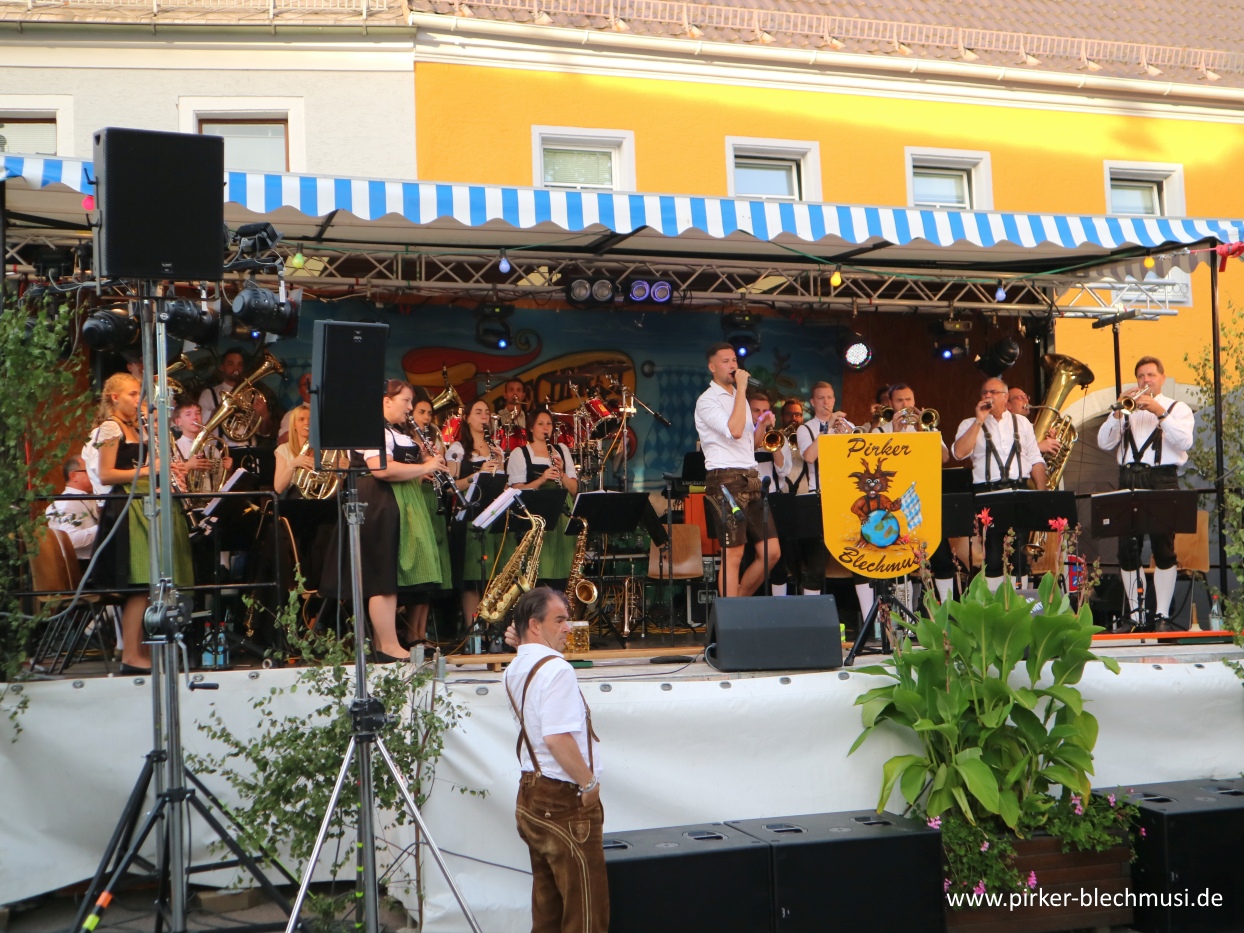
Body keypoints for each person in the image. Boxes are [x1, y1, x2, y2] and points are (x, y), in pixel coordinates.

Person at [504, 587, 607, 933]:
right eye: (559, 620)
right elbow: (556, 738)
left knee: (547, 910)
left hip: (531, 792)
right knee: (586, 914)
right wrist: (589, 784)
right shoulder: (558, 670)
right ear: (535, 625)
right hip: (563, 798)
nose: (568, 627)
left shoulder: (515, 667)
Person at [326, 379, 449, 661]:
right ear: (386, 401)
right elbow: (380, 469)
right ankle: (388, 645)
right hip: (378, 502)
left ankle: (385, 645)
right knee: (382, 577)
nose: (409, 407)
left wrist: (421, 466)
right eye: (406, 401)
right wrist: (424, 465)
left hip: (394, 501)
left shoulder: (394, 431)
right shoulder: (373, 429)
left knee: (388, 576)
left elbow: (399, 466)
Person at [89, 372, 194, 673]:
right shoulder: (110, 427)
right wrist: (151, 470)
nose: (138, 400)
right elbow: (106, 475)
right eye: (132, 394)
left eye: (139, 394)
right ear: (115, 398)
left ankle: (140, 651)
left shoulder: (135, 427)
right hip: (128, 507)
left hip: (143, 502)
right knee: (139, 584)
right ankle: (131, 655)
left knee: (150, 584)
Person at [1096, 356, 1194, 630]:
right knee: (1127, 548)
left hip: (1162, 478)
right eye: (1141, 376)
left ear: (1162, 378)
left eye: (1150, 375)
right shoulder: (1127, 410)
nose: (1145, 380)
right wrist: (1118, 412)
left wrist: (1160, 412)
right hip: (1128, 478)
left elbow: (1185, 441)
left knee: (1164, 547)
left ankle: (1161, 615)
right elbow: (1104, 442)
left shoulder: (1177, 408)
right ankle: (1136, 615)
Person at [693, 343, 780, 597]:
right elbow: (734, 431)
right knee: (733, 553)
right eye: (726, 361)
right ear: (712, 367)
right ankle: (732, 612)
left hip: (750, 477)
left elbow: (750, 444)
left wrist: (762, 425)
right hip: (725, 479)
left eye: (734, 360)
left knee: (771, 552)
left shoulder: (738, 398)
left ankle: (738, 602)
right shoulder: (707, 400)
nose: (733, 365)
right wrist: (742, 389)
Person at [952, 377, 1047, 591]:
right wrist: (979, 420)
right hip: (988, 492)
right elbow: (958, 453)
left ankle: (1018, 602)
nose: (988, 396)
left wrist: (1042, 495)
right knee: (994, 554)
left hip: (1019, 490)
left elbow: (1035, 458)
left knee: (1019, 553)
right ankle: (995, 603)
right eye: (984, 392)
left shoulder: (1022, 423)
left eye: (993, 392)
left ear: (1005, 397)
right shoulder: (968, 424)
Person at [878, 384, 955, 602]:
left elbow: (944, 458)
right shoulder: (880, 431)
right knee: (900, 560)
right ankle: (905, 614)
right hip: (895, 502)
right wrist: (895, 432)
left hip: (926, 498)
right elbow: (880, 465)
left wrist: (923, 432)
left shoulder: (927, 428)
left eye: (909, 400)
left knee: (941, 557)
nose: (906, 405)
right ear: (891, 404)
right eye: (900, 401)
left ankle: (947, 609)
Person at [446, 399, 507, 625]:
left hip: (493, 514)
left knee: (492, 575)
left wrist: (500, 466)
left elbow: (502, 485)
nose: (484, 417)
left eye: (487, 413)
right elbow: (449, 487)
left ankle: (491, 627)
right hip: (469, 515)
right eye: (478, 412)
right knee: (472, 577)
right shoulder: (458, 449)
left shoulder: (495, 448)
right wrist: (476, 475)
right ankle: (473, 631)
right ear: (467, 418)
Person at [792, 381, 853, 601]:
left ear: (834, 400)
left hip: (845, 498)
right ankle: (810, 616)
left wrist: (845, 430)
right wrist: (827, 430)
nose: (826, 402)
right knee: (816, 565)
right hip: (818, 498)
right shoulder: (805, 429)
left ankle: (869, 616)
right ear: (812, 402)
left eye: (829, 397)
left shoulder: (848, 426)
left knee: (859, 560)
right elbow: (809, 456)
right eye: (821, 398)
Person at [506, 409, 578, 586]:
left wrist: (561, 473)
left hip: (562, 513)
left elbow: (573, 489)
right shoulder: (520, 453)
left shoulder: (561, 450)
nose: (546, 428)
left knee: (565, 571)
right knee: (541, 569)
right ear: (531, 428)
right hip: (537, 515)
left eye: (549, 424)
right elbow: (516, 491)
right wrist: (542, 479)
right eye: (540, 424)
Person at [407, 389, 456, 645]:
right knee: (421, 568)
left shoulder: (432, 438)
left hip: (433, 500)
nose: (426, 417)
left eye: (429, 413)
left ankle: (421, 632)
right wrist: (421, 470)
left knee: (432, 572)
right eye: (421, 412)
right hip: (416, 499)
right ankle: (412, 634)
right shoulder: (405, 441)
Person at [747, 389, 789, 594]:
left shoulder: (778, 437)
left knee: (778, 559)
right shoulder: (742, 437)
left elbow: (783, 471)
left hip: (773, 499)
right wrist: (758, 430)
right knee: (750, 555)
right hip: (749, 499)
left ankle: (779, 605)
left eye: (765, 411)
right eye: (756, 410)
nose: (761, 415)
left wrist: (774, 444)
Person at [45, 454, 99, 562]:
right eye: (88, 470)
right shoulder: (68, 502)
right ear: (73, 476)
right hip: (83, 565)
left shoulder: (83, 497)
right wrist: (103, 528)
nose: (94, 474)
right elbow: (71, 539)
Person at [273, 404, 316, 496]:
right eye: (301, 419)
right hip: (294, 500)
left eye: (310, 419)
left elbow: (335, 488)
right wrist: (293, 464)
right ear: (294, 425)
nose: (307, 422)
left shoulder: (324, 451)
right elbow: (278, 488)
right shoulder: (284, 449)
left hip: (321, 500)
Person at [1007, 387, 1062, 457]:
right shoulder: (1004, 426)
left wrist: (1051, 442)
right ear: (1008, 405)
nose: (1026, 400)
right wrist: (1038, 447)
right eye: (1020, 398)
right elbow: (1008, 455)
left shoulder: (1031, 426)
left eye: (1026, 397)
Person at [779, 396, 807, 494]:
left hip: (805, 492)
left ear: (802, 418)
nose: (794, 418)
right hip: (781, 493)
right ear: (782, 417)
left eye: (798, 415)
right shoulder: (776, 438)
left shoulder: (808, 438)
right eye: (789, 414)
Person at [277, 373, 313, 445]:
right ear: (300, 391)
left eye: (315, 384)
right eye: (307, 384)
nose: (312, 388)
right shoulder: (291, 414)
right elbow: (282, 440)